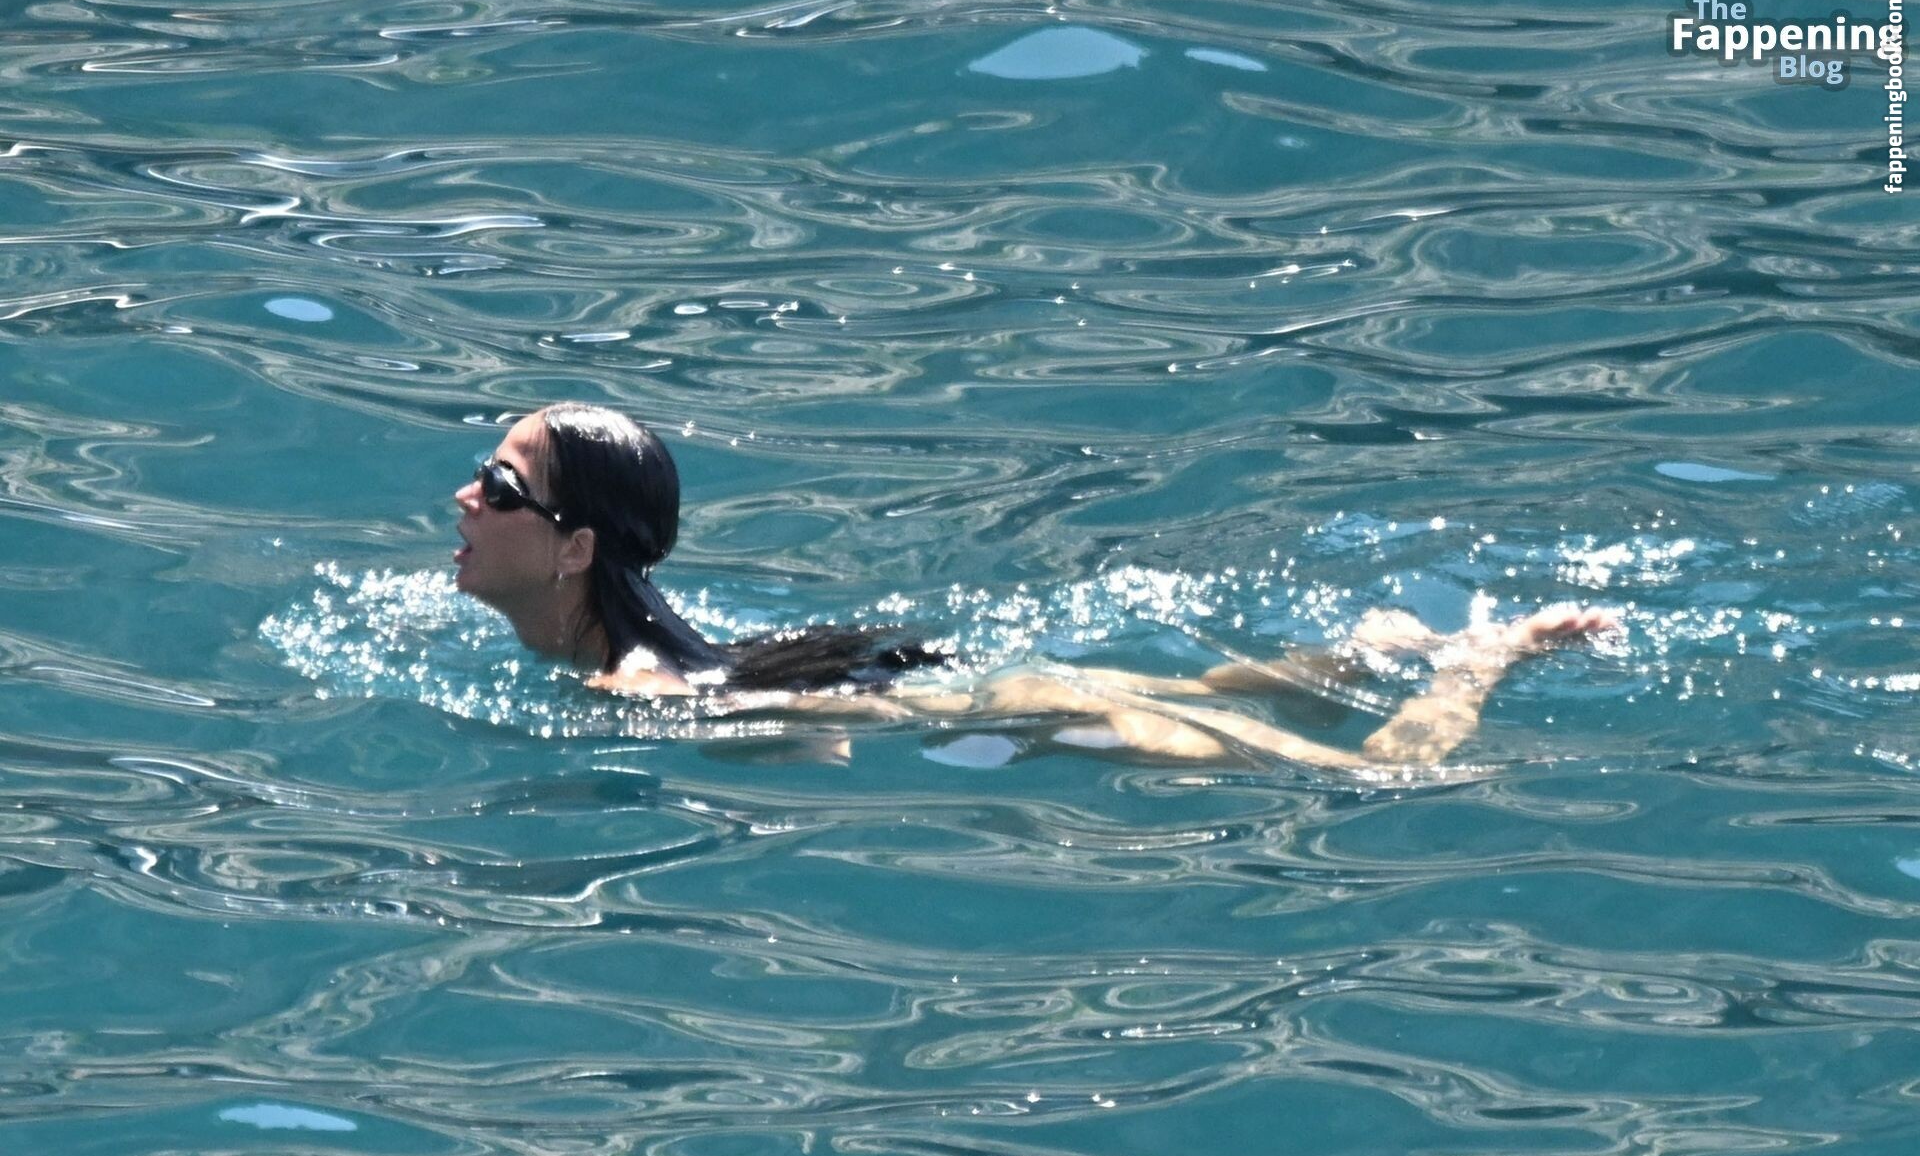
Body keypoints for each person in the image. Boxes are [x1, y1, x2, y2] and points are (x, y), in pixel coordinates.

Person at [453, 403, 1619, 769]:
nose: (465, 495)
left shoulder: (639, 688)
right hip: (990, 682)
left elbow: (825, 743)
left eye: (500, 486)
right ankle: (1371, 649)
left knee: (1377, 776)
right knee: (1198, 687)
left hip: (1021, 707)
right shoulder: (630, 649)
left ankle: (1478, 659)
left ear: (575, 550)